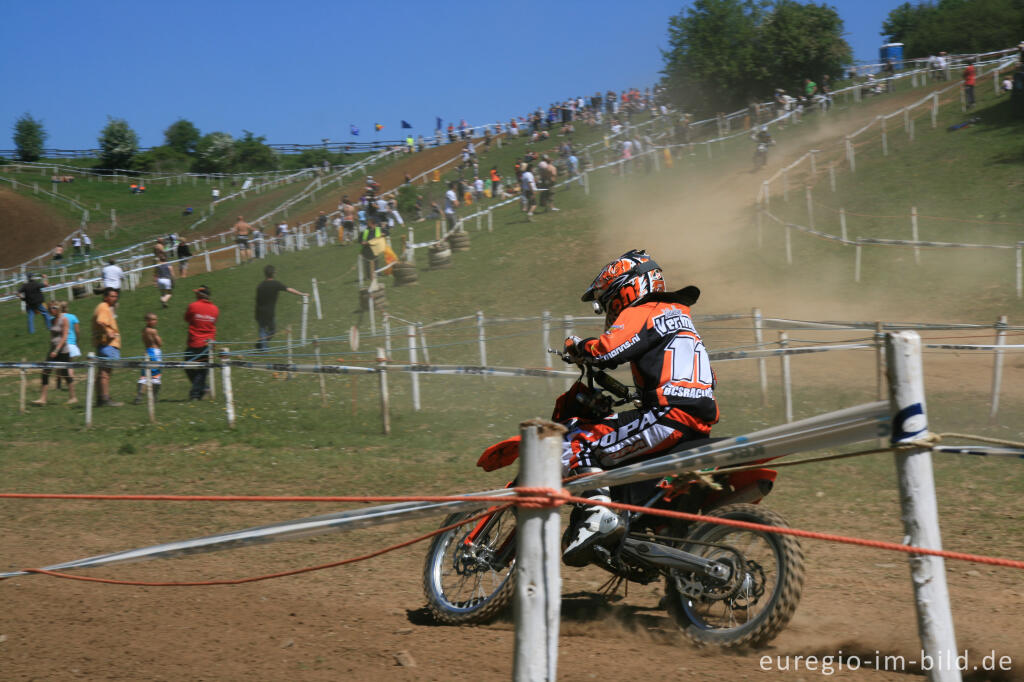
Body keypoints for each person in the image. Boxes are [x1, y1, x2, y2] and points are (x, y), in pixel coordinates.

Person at [557, 250, 718, 566]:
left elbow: (606, 351)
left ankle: (596, 518)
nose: (606, 309)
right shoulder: (680, 315)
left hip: (669, 415)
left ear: (625, 290)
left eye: (607, 301)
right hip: (695, 417)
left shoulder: (643, 310)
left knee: (577, 444)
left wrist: (577, 346)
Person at [31, 302, 76, 406]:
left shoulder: (64, 320)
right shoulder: (52, 320)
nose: (51, 310)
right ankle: (43, 399)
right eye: (50, 308)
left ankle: (73, 397)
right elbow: (53, 336)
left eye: (53, 308)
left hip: (63, 351)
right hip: (53, 350)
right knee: (45, 372)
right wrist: (52, 347)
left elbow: (64, 337)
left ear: (58, 309)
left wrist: (57, 350)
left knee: (65, 373)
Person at [255, 265, 307, 351]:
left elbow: (257, 301)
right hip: (269, 313)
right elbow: (289, 289)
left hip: (259, 313)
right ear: (274, 274)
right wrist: (302, 294)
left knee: (262, 330)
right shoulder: (276, 284)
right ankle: (263, 348)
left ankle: (262, 345)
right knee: (272, 331)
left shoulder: (260, 286)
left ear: (265, 274)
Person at [184, 285, 219, 401]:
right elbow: (213, 323)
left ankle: (195, 394)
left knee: (188, 365)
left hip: (194, 342)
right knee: (202, 369)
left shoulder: (193, 306)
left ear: (200, 295)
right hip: (208, 344)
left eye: (196, 293)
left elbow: (187, 318)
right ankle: (203, 388)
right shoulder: (215, 309)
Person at [92, 287, 123, 407]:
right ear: (106, 297)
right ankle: (105, 398)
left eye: (116, 296)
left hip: (104, 344)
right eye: (112, 296)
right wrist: (108, 332)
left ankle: (101, 398)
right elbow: (101, 321)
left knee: (102, 372)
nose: (115, 298)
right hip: (107, 344)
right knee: (105, 373)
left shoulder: (104, 307)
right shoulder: (103, 307)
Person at [134, 313, 164, 404]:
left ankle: (139, 395)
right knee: (156, 376)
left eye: (156, 319)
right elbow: (160, 343)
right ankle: (154, 397)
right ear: (148, 321)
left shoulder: (144, 330)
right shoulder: (153, 331)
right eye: (153, 319)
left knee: (144, 375)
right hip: (155, 352)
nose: (155, 321)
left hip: (147, 351)